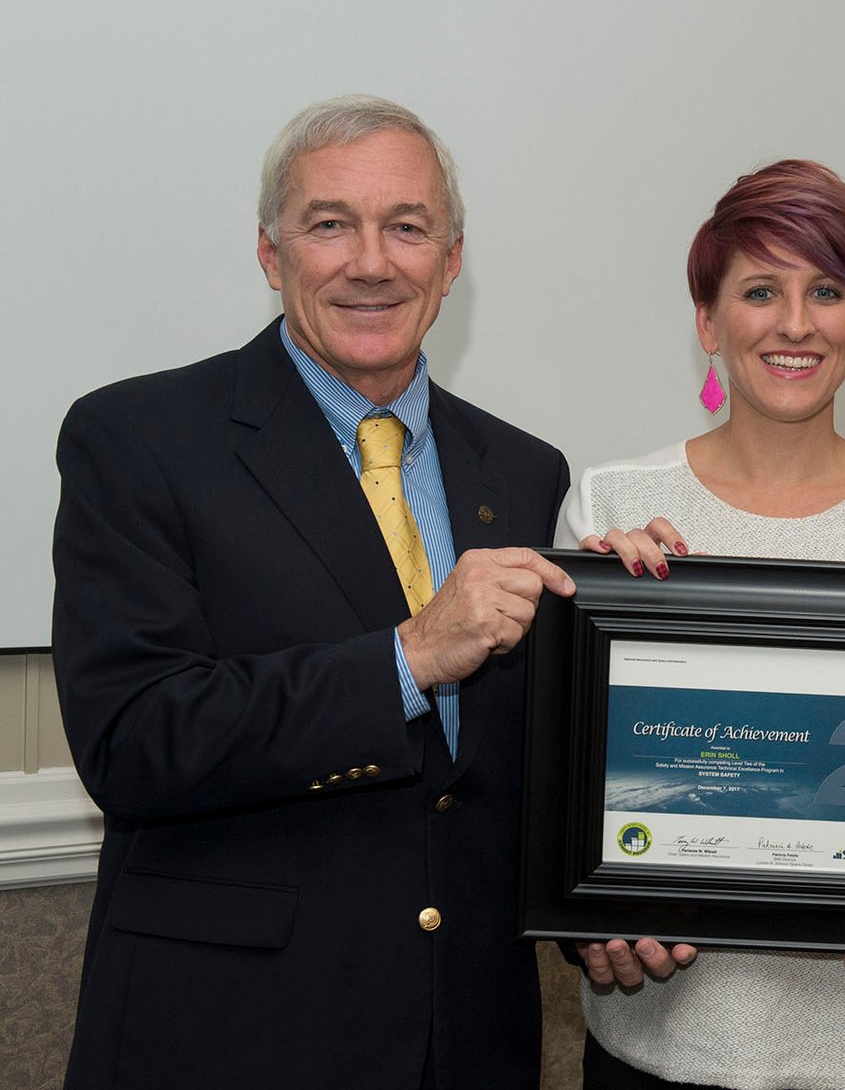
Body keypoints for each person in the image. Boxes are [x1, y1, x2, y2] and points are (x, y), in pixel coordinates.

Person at [52, 95, 573, 1089]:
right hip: (231, 1040)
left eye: (407, 227)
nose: (371, 262)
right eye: (330, 223)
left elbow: (507, 782)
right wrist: (410, 658)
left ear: (452, 260)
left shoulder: (524, 471)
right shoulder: (141, 441)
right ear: (270, 253)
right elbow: (133, 742)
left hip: (467, 1044)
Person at [555, 159, 845, 1090]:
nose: (796, 323)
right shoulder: (610, 506)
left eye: (826, 291)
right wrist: (614, 598)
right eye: (761, 290)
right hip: (660, 1051)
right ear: (709, 322)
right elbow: (567, 785)